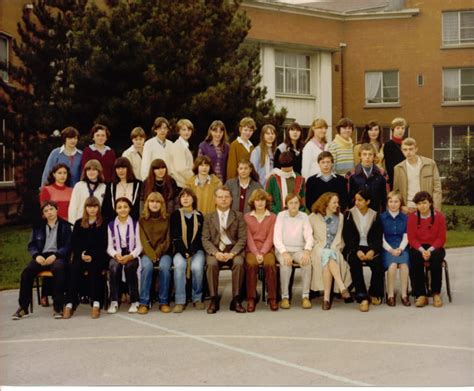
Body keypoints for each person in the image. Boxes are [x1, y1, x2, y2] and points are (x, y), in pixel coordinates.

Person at [12, 200, 72, 320]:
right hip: (41, 256)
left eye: (51, 209)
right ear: (43, 214)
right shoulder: (38, 226)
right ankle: (23, 307)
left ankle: (58, 306)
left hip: (57, 257)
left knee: (59, 269)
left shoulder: (65, 226)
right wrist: (36, 256)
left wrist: (56, 255)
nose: (49, 212)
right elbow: (32, 245)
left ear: (57, 210)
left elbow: (68, 245)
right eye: (46, 211)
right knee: (27, 272)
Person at [202, 186, 247, 314]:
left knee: (239, 263)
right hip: (216, 251)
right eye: (220, 197)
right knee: (211, 264)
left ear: (231, 199)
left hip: (233, 251)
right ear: (215, 200)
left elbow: (242, 238)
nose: (223, 199)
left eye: (226, 197)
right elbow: (205, 239)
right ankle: (213, 299)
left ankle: (236, 299)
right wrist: (216, 253)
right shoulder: (208, 217)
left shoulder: (238, 216)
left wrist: (232, 253)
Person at [63, 197, 108, 319]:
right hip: (81, 256)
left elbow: (103, 244)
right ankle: (70, 303)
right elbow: (74, 243)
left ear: (98, 208)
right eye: (89, 207)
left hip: (97, 256)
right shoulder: (79, 223)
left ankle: (96, 302)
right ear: (85, 208)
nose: (92, 209)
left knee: (95, 269)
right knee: (74, 268)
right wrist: (81, 254)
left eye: (95, 206)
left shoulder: (103, 223)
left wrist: (92, 255)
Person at [342, 189, 384, 312]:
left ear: (368, 201)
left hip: (370, 247)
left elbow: (378, 237)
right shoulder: (349, 214)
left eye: (360, 200)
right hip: (354, 247)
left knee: (378, 264)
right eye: (356, 200)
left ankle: (373, 292)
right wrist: (356, 251)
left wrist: (372, 250)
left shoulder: (375, 215)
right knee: (354, 263)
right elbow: (347, 237)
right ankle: (361, 294)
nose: (357, 202)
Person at [309, 192, 352, 310]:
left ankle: (326, 299)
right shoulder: (313, 217)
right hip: (318, 248)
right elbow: (308, 236)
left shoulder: (340, 217)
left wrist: (335, 247)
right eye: (334, 202)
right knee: (327, 255)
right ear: (326, 203)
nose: (337, 205)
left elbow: (340, 239)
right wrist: (317, 246)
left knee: (329, 258)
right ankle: (342, 287)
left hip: (334, 247)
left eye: (337, 202)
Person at [274, 193, 314, 310]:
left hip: (298, 249)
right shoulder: (281, 216)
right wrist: (284, 253)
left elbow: (309, 235)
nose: (294, 205)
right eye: (291, 203)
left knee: (306, 262)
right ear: (286, 204)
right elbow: (276, 237)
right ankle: (285, 297)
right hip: (283, 250)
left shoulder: (304, 216)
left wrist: (307, 251)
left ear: (299, 204)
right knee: (286, 264)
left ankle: (305, 296)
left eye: (296, 202)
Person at [407, 191, 446, 308]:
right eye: (418, 204)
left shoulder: (439, 217)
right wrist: (421, 250)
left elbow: (441, 238)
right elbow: (411, 238)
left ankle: (435, 293)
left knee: (436, 260)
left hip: (435, 247)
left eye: (424, 203)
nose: (422, 206)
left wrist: (430, 250)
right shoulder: (412, 218)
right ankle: (421, 294)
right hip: (418, 247)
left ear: (430, 203)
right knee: (414, 257)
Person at [171, 188, 206, 313]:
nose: (185, 198)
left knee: (197, 267)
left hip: (196, 250)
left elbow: (200, 237)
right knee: (180, 266)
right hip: (180, 250)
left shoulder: (199, 215)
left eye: (188, 196)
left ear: (193, 199)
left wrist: (192, 251)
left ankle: (197, 298)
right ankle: (180, 300)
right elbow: (175, 236)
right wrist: (184, 251)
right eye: (183, 196)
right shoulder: (175, 215)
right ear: (179, 200)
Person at [244, 189, 278, 312]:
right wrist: (257, 253)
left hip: (267, 249)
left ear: (266, 202)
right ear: (253, 202)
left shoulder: (272, 217)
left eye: (262, 200)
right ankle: (251, 298)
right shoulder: (247, 217)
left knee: (270, 264)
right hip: (251, 250)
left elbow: (271, 237)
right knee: (251, 264)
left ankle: (272, 298)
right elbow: (248, 239)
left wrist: (262, 253)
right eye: (257, 200)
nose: (260, 203)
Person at [106, 197, 143, 314]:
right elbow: (109, 247)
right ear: (115, 209)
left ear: (130, 208)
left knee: (130, 267)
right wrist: (116, 255)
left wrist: (130, 256)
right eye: (119, 207)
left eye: (125, 207)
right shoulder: (111, 225)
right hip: (117, 254)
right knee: (113, 267)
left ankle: (134, 301)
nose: (122, 210)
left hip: (131, 254)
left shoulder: (136, 224)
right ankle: (114, 301)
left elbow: (139, 246)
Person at [138, 192, 171, 314]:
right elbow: (143, 240)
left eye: (158, 202)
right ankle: (144, 302)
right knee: (146, 267)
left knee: (165, 267)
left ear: (162, 204)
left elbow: (167, 240)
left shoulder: (167, 218)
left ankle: (164, 302)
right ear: (147, 203)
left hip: (164, 252)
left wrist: (157, 253)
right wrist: (152, 255)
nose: (155, 204)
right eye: (152, 201)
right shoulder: (142, 219)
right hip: (147, 252)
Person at [393, 137, 442, 213]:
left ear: (416, 149)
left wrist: (435, 209)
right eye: (405, 149)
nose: (408, 152)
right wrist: (401, 206)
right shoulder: (398, 168)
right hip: (408, 209)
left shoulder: (430, 164)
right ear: (402, 151)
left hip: (426, 208)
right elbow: (396, 191)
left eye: (411, 149)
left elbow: (437, 188)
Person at [380, 191, 410, 307]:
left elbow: (406, 236)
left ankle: (404, 295)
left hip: (402, 247)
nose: (393, 204)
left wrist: (401, 249)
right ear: (387, 203)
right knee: (392, 266)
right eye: (391, 201)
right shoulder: (381, 217)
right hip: (387, 248)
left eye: (396, 201)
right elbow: (381, 238)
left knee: (404, 265)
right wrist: (391, 250)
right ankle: (390, 295)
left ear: (400, 203)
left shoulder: (405, 218)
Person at [347, 143, 388, 212]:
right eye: (364, 154)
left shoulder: (382, 174)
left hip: (376, 213)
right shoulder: (351, 175)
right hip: (357, 213)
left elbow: (385, 197)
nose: (367, 157)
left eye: (370, 154)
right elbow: (349, 197)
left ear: (374, 156)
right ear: (360, 156)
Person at [102, 157, 142, 221]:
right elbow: (106, 208)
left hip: (134, 223)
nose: (120, 171)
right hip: (115, 223)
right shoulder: (110, 185)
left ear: (128, 169)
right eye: (118, 168)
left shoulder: (138, 184)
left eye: (123, 168)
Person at [68, 159, 106, 224]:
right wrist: (72, 225)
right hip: (80, 224)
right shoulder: (79, 186)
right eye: (88, 169)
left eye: (94, 169)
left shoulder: (104, 187)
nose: (91, 172)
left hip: (98, 225)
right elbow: (73, 207)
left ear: (99, 171)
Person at [168, 119, 195, 188]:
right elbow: (181, 168)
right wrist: (195, 179)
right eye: (184, 130)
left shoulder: (184, 145)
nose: (187, 132)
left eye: (189, 130)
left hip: (183, 184)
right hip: (179, 185)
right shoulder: (178, 146)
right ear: (178, 131)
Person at [384, 117, 407, 189]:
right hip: (395, 180)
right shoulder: (388, 145)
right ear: (393, 130)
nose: (401, 130)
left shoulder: (406, 144)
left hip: (406, 178)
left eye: (402, 128)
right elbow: (389, 167)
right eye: (398, 128)